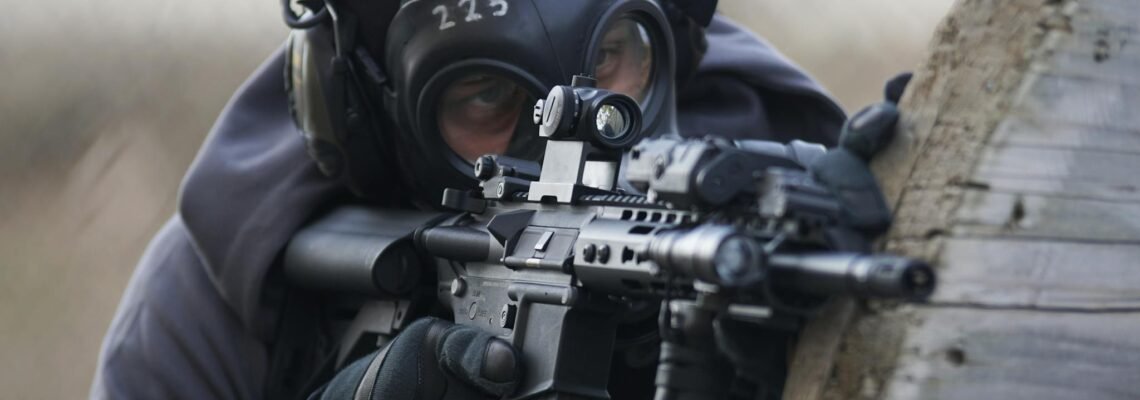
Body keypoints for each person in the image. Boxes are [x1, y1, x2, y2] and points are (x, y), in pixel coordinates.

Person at [90, 0, 873, 398]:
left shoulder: (786, 187)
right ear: (360, 110)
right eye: (487, 95)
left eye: (609, 59)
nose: (571, 128)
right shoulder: (227, 288)